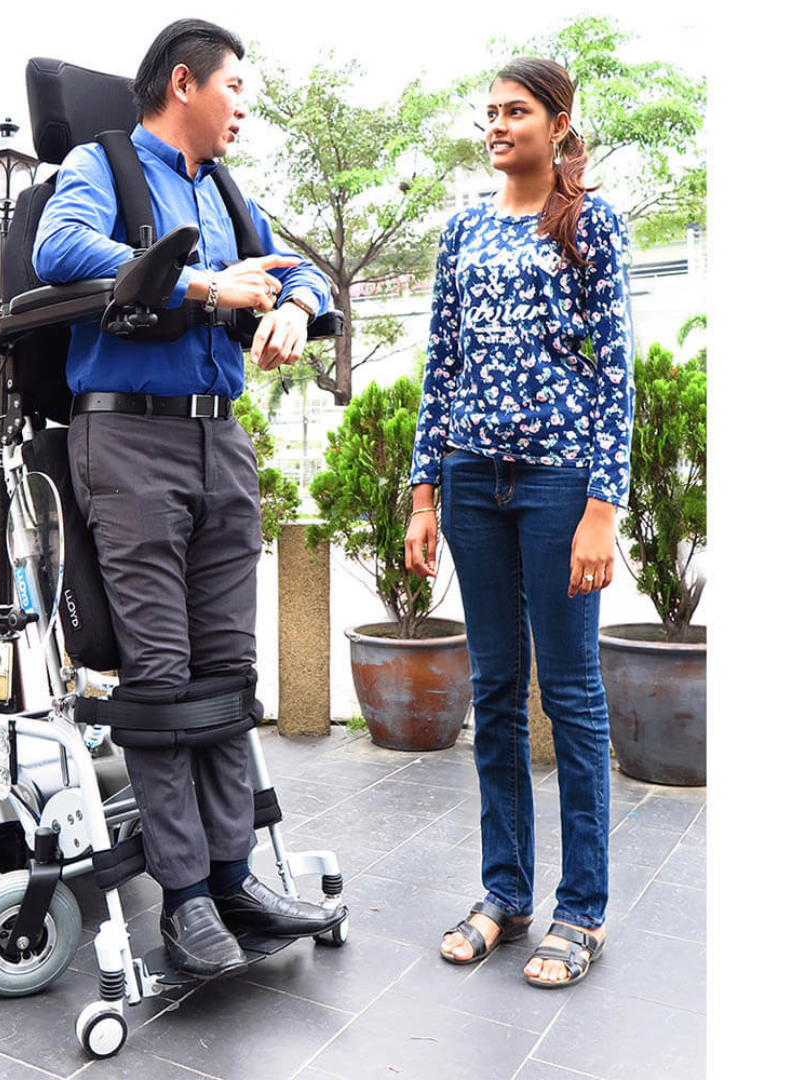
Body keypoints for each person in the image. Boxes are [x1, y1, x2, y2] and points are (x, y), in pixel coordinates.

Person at [33, 19, 345, 979]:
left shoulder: (228, 192)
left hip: (222, 441)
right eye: (238, 89)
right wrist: (213, 289)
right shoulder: (104, 165)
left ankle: (235, 875)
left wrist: (294, 306)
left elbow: (307, 277)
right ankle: (183, 899)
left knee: (225, 669)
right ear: (185, 83)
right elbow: (59, 246)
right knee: (164, 676)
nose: (245, 108)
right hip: (129, 439)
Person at [405, 56, 633, 988]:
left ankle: (583, 910)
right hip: (470, 482)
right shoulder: (462, 230)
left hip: (555, 484)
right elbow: (441, 366)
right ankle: (506, 893)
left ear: (558, 120)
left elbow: (616, 373)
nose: (497, 125)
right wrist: (423, 494)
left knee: (570, 694)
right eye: (490, 112)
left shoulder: (590, 224)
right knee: (495, 692)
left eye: (516, 111)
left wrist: (600, 509)